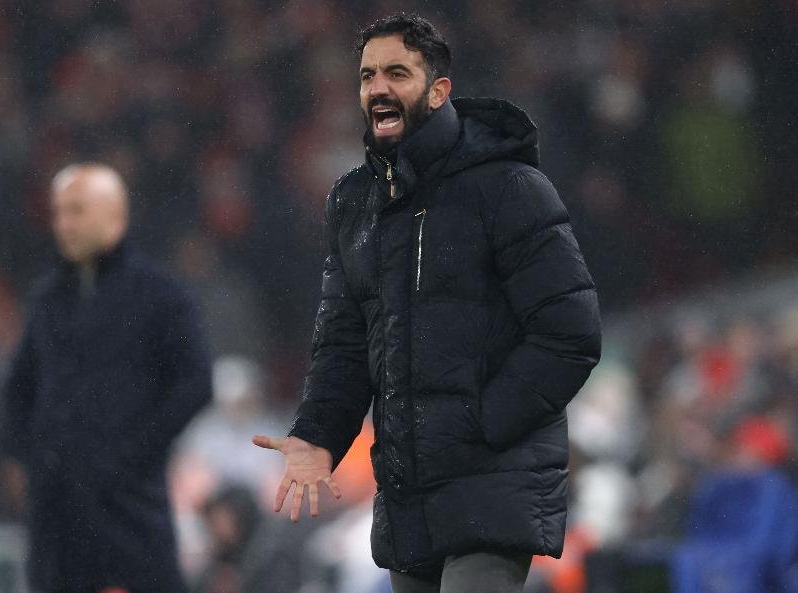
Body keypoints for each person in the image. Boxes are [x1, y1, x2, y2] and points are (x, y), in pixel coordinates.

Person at [253, 14, 602, 593]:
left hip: (491, 484)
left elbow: (571, 332)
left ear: (439, 91)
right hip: (408, 495)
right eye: (367, 76)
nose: (378, 88)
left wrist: (482, 425)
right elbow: (343, 345)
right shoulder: (354, 203)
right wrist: (317, 436)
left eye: (397, 73)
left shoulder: (508, 187)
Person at [3, 163, 212, 593]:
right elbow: (18, 388)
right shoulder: (47, 299)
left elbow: (195, 384)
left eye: (76, 210)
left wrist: (133, 454)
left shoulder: (160, 295)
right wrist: (33, 457)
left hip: (127, 502)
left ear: (114, 215)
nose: (64, 223)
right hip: (57, 506)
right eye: (59, 211)